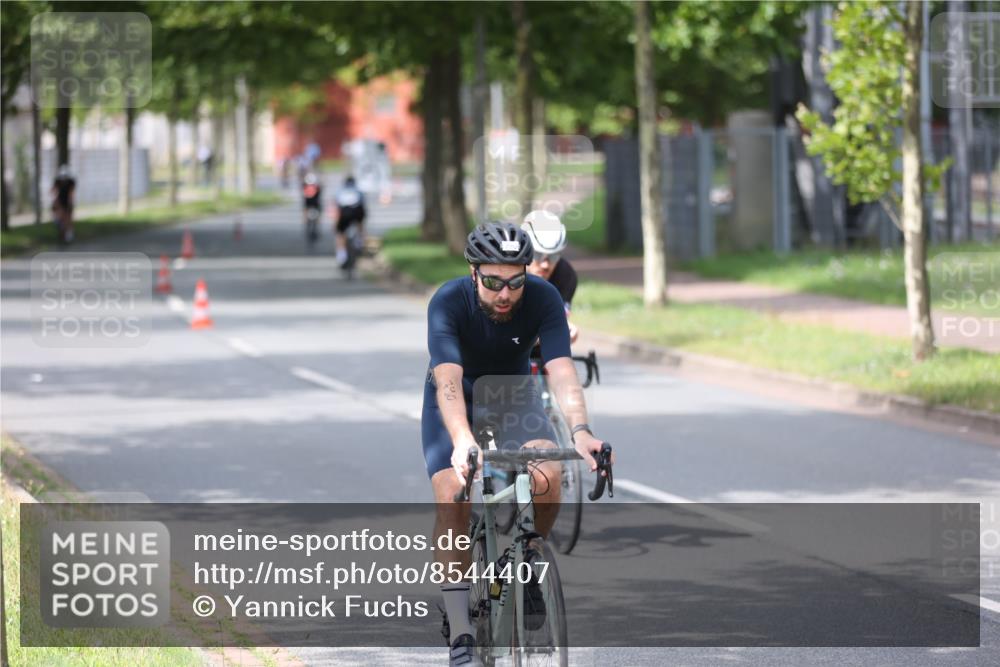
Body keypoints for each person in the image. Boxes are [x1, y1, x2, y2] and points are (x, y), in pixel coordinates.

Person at [422, 221, 611, 666]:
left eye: (514, 282)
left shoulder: (543, 298)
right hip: (457, 400)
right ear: (473, 274)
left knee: (549, 472)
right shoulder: (448, 301)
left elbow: (562, 370)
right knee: (452, 492)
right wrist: (462, 437)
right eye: (492, 283)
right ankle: (461, 633)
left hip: (513, 393)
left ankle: (527, 559)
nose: (504, 294)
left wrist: (582, 431)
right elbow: (447, 380)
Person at [522, 210, 579, 344]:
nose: (545, 264)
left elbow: (560, 316)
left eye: (553, 256)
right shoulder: (509, 272)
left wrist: (567, 329)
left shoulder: (566, 274)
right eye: (537, 255)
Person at [333, 175, 366, 266]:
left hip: (344, 213)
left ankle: (341, 255)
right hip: (357, 213)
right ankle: (360, 240)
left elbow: (337, 207)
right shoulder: (358, 191)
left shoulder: (340, 191)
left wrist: (335, 223)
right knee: (360, 222)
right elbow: (363, 204)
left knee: (340, 234)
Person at [51, 164, 76, 244]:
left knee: (68, 218)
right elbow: (53, 191)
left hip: (67, 202)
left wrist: (70, 203)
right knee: (59, 218)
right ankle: (62, 232)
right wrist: (55, 200)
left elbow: (71, 193)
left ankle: (68, 235)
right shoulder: (57, 181)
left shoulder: (71, 182)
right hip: (59, 201)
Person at [301, 172, 323, 241]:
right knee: (317, 217)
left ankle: (307, 227)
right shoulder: (317, 187)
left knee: (307, 218)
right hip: (315, 205)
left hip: (308, 205)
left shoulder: (305, 186)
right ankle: (314, 228)